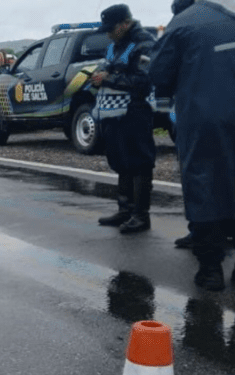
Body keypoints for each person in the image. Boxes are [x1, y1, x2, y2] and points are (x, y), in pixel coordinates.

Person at [149, 0, 235, 290]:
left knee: (204, 183)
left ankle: (211, 268)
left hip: (204, 118)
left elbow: (158, 72)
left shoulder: (184, 23)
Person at [91, 4, 157, 234]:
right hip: (112, 113)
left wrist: (109, 79)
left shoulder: (143, 43)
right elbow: (104, 67)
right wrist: (96, 76)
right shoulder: (113, 46)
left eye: (112, 28)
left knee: (139, 160)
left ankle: (140, 215)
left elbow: (142, 82)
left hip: (135, 111)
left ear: (125, 24)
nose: (108, 33)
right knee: (120, 159)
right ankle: (125, 210)